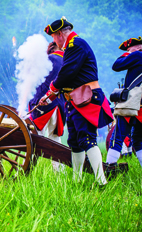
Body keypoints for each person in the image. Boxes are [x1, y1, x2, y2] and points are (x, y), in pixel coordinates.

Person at [40, 16, 114, 185]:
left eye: (53, 37)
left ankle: (102, 182)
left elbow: (67, 73)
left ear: (59, 34)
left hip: (86, 99)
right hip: (77, 100)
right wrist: (51, 94)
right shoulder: (73, 46)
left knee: (87, 139)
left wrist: (50, 91)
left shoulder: (76, 45)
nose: (54, 41)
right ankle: (77, 180)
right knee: (75, 142)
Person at [28, 42, 66, 172]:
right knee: (55, 139)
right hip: (59, 105)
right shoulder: (66, 61)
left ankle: (25, 170)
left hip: (44, 104)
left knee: (33, 138)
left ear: (51, 48)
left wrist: (34, 101)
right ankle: (60, 173)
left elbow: (43, 84)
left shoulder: (51, 59)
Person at [105, 36, 142, 168]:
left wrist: (130, 53)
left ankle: (110, 167)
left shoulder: (137, 55)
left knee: (117, 137)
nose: (127, 50)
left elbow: (116, 65)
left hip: (131, 105)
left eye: (128, 48)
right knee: (138, 140)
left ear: (137, 47)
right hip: (141, 109)